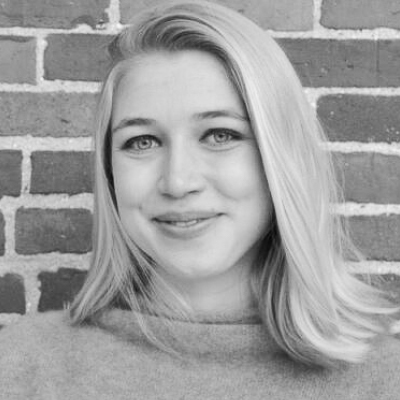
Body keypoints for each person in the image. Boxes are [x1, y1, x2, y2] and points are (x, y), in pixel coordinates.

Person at [0, 1, 399, 399]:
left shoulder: (384, 380)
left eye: (220, 135)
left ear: (281, 156)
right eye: (143, 141)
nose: (178, 182)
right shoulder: (22, 366)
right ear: (110, 171)